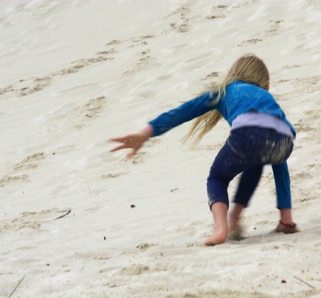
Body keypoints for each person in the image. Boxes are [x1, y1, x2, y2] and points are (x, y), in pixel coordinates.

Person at [109, 54, 299, 246]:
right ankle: (284, 219)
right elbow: (278, 146)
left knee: (217, 178)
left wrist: (146, 132)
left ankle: (221, 229)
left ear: (234, 73)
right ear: (263, 82)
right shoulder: (266, 97)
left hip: (247, 133)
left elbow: (182, 112)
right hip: (286, 138)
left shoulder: (224, 91)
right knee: (264, 160)